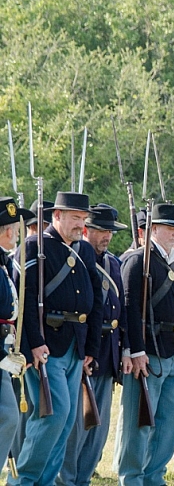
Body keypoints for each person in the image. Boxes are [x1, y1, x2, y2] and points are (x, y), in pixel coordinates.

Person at [11, 192, 103, 486]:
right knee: (53, 414)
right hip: (46, 346)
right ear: (57, 216)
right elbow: (24, 301)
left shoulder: (84, 250)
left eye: (83, 218)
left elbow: (96, 300)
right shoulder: (33, 246)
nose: (80, 224)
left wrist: (91, 348)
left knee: (66, 419)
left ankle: (46, 481)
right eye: (75, 217)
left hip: (76, 345)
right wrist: (33, 344)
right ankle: (23, 480)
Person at [117, 202, 174, 486]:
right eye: (169, 227)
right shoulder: (138, 260)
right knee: (139, 422)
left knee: (170, 422)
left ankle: (154, 476)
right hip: (148, 352)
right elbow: (129, 308)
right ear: (153, 229)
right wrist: (136, 350)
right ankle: (132, 477)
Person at [58, 204, 128, 486]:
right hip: (84, 349)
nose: (107, 236)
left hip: (107, 352)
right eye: (101, 230)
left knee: (98, 427)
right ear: (87, 229)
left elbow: (121, 310)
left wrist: (123, 349)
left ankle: (84, 478)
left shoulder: (114, 264)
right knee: (75, 425)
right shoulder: (77, 258)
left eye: (110, 231)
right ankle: (66, 478)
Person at [0, 199, 33, 475]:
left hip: (5, 350)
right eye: (15, 229)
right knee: (8, 416)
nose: (18, 234)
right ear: (8, 231)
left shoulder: (5, 262)